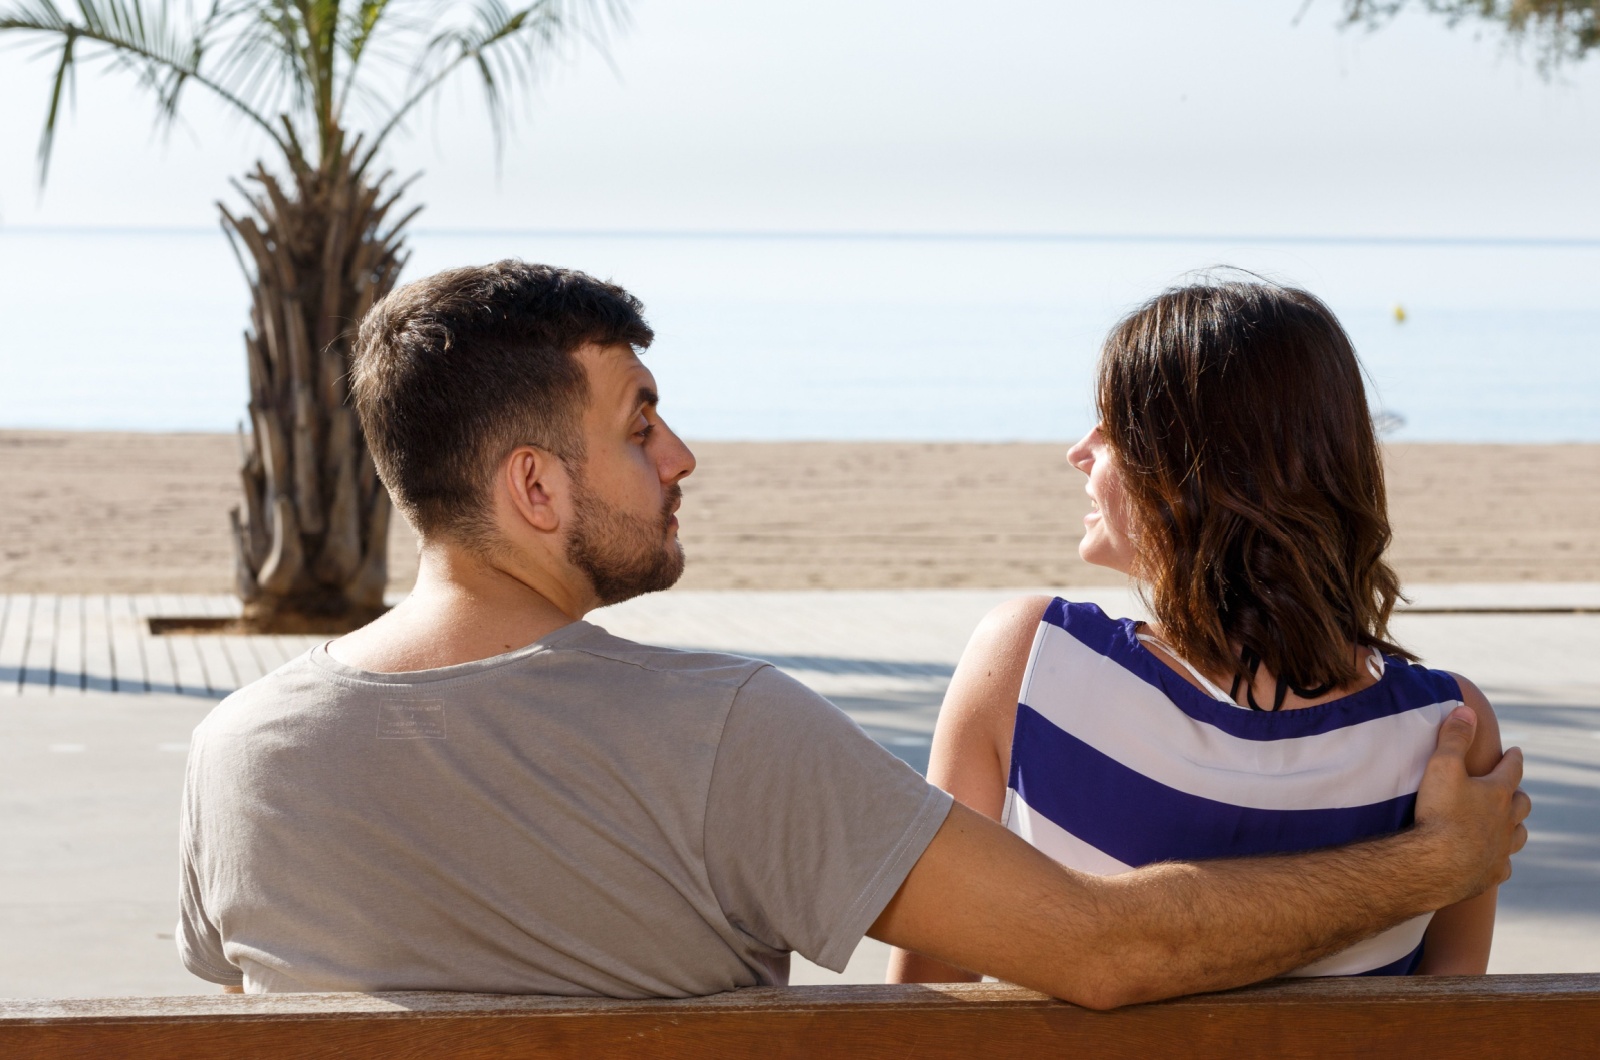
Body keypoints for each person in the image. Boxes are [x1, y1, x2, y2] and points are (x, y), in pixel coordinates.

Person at [178, 261, 1527, 1008]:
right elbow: (1108, 951)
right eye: (642, 423)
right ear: (535, 489)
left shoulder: (234, 754)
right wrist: (1433, 860)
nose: (684, 454)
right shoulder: (727, 734)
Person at [891, 279, 1502, 986]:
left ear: (1184, 472)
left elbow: (928, 991)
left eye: (1111, 428)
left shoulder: (1030, 662)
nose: (1079, 452)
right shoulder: (1446, 729)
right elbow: (1449, 1017)